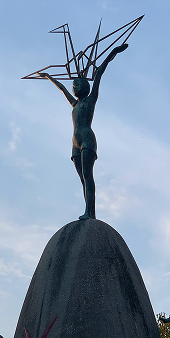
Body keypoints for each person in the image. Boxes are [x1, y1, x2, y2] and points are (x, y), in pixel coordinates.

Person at [39, 43, 127, 220]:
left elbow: (100, 71)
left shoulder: (91, 99)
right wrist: (48, 77)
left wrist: (114, 52)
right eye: (73, 86)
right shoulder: (75, 104)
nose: (74, 87)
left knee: (88, 175)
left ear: (86, 86)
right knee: (82, 179)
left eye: (77, 84)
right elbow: (62, 88)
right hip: (75, 143)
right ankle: (88, 211)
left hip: (87, 139)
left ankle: (90, 213)